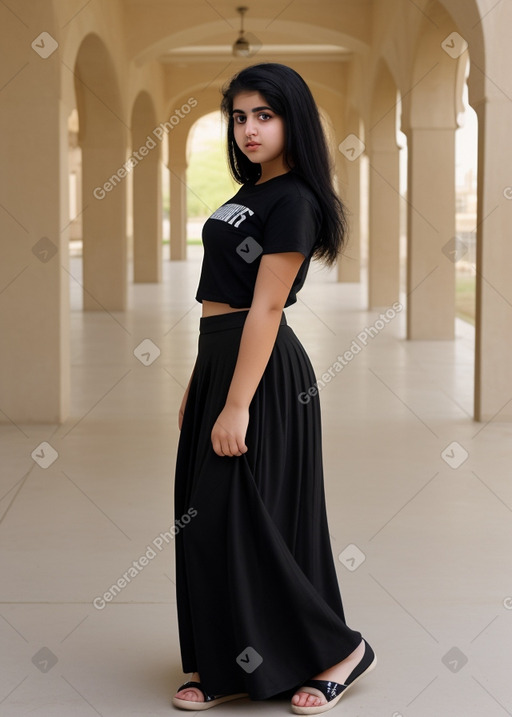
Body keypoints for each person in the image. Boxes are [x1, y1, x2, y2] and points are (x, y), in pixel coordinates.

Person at [172, 63, 376, 715]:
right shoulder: (250, 191)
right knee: (209, 521)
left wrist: (236, 402)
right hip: (221, 362)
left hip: (261, 376)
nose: (249, 128)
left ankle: (341, 649)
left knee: (248, 522)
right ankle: (232, 661)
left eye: (265, 114)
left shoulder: (295, 200)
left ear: (293, 120)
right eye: (239, 116)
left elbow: (265, 308)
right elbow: (218, 299)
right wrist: (200, 383)